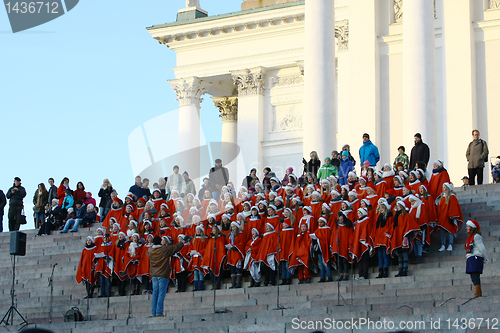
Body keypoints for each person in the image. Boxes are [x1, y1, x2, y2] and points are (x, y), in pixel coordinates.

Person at [147, 235, 185, 317]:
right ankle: (159, 312)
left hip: (154, 274)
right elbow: (174, 248)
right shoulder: (163, 250)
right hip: (163, 273)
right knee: (161, 293)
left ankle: (153, 312)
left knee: (155, 293)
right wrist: (182, 243)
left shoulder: (149, 250)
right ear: (160, 242)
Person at [465, 219, 487, 298]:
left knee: (475, 276)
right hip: (471, 258)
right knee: (473, 276)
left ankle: (477, 293)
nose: (467, 228)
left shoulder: (476, 236)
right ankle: (478, 292)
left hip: (475, 258)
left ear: (472, 227)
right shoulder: (470, 237)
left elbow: (482, 248)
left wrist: (485, 257)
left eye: (468, 226)